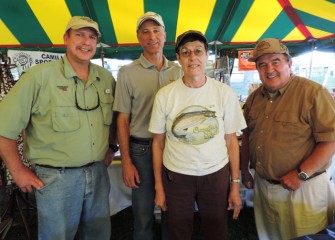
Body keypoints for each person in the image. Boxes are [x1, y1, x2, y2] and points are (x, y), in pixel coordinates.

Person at [0, 16, 118, 240]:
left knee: (99, 233)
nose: (86, 42)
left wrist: (112, 147)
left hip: (98, 173)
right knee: (57, 236)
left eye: (92, 37)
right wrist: (17, 171)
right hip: (56, 179)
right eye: (79, 35)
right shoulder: (38, 77)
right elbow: (3, 128)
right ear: (66, 38)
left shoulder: (104, 78)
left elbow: (114, 119)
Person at [149, 30, 246, 240]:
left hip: (215, 174)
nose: (192, 57)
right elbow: (158, 143)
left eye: (198, 51)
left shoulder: (224, 93)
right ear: (178, 58)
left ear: (206, 55)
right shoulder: (165, 95)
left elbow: (232, 143)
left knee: (216, 229)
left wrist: (235, 185)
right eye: (185, 52)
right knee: (178, 231)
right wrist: (159, 186)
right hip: (177, 176)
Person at [241, 38, 335, 239]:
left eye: (275, 61)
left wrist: (302, 173)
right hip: (265, 187)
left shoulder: (313, 93)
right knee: (269, 235)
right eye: (262, 65)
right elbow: (247, 134)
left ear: (289, 63)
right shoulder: (254, 98)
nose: (269, 70)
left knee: (307, 236)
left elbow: (330, 140)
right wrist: (244, 170)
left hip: (305, 187)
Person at [113, 12, 182, 240]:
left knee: (171, 207)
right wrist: (126, 162)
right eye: (145, 32)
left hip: (173, 149)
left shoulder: (179, 71)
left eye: (156, 31)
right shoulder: (127, 73)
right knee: (142, 212)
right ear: (138, 38)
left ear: (164, 35)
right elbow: (122, 119)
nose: (151, 36)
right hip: (141, 150)